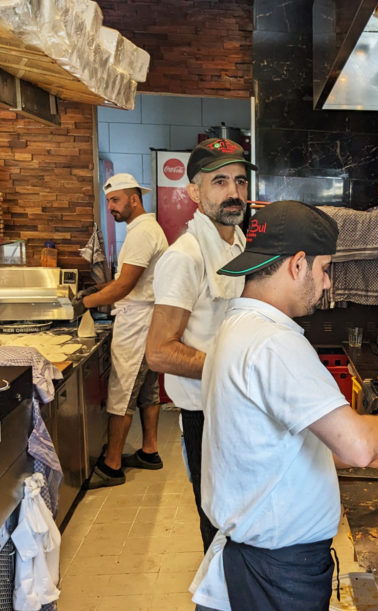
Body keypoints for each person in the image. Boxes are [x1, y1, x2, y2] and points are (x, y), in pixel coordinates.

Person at [190, 201, 378, 611]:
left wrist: (349, 457)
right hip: (275, 573)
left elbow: (265, 444)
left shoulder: (237, 326)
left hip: (263, 561)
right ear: (297, 265)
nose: (326, 284)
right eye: (324, 269)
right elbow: (357, 442)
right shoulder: (274, 342)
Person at [146, 138, 256, 551]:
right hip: (205, 414)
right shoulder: (186, 257)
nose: (234, 193)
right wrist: (232, 368)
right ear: (194, 191)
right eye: (220, 182)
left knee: (243, 517)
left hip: (238, 404)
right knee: (218, 522)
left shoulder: (238, 244)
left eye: (240, 182)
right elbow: (158, 351)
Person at [83, 173, 169, 488]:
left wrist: (85, 303)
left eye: (115, 200)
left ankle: (113, 464)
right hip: (148, 316)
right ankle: (149, 451)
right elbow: (128, 281)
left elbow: (125, 286)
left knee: (122, 392)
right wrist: (100, 289)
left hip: (138, 321)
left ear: (134, 199)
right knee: (146, 389)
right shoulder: (145, 228)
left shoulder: (142, 232)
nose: (110, 207)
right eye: (108, 201)